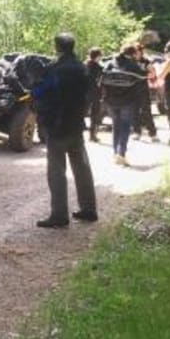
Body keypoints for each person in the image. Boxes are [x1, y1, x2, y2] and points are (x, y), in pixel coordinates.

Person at [31, 33, 97, 229]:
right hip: (76, 124)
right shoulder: (83, 68)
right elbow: (90, 94)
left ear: (57, 47)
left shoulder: (54, 70)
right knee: (82, 168)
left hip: (56, 125)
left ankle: (59, 215)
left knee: (57, 171)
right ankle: (89, 209)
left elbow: (38, 92)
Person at [101, 43, 146, 167]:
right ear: (132, 53)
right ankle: (121, 153)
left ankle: (115, 153)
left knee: (116, 125)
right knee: (125, 126)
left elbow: (102, 77)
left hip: (110, 100)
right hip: (127, 100)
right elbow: (143, 76)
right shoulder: (132, 65)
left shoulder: (110, 63)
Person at [132, 43, 159, 142]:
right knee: (134, 111)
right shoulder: (130, 62)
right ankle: (136, 132)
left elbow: (153, 74)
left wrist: (145, 75)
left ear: (141, 51)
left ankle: (153, 133)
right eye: (134, 52)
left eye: (137, 52)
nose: (135, 54)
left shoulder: (146, 61)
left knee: (146, 111)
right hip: (132, 89)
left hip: (143, 89)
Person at [84, 47, 104, 143]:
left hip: (84, 93)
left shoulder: (84, 65)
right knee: (94, 115)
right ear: (98, 56)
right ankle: (92, 135)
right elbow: (100, 81)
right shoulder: (99, 68)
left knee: (81, 114)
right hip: (95, 93)